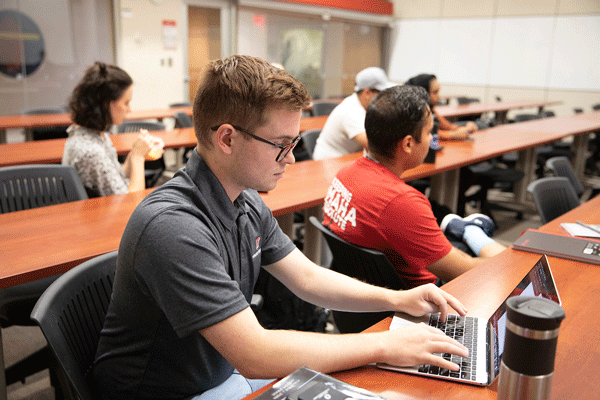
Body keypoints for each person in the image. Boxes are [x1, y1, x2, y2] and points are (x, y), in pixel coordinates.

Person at [93, 55, 470, 400]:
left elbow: (307, 278)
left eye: (294, 143)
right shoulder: (173, 228)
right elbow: (256, 353)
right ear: (227, 138)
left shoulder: (244, 199)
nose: (290, 158)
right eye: (281, 144)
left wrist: (398, 300)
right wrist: (386, 346)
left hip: (224, 372)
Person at [322, 85, 506, 289]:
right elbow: (467, 272)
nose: (431, 139)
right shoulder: (401, 202)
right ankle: (470, 229)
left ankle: (464, 230)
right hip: (419, 300)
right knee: (505, 265)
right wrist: (490, 246)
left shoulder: (344, 174)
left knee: (457, 245)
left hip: (360, 296)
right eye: (429, 132)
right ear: (408, 144)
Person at [62, 62, 163, 196]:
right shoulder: (91, 151)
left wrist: (136, 153)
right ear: (105, 104)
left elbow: (117, 175)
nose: (129, 110)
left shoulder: (95, 133)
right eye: (126, 103)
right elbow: (132, 202)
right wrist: (138, 158)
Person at [312, 67, 396, 160]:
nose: (385, 97)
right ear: (367, 92)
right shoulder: (351, 111)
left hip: (348, 157)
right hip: (329, 161)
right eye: (382, 93)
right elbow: (374, 146)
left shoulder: (367, 107)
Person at [405, 74, 478, 140]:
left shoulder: (430, 110)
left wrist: (468, 130)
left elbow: (449, 127)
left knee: (480, 125)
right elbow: (423, 135)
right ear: (423, 93)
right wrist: (451, 135)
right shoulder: (410, 113)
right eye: (435, 92)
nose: (439, 97)